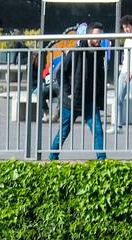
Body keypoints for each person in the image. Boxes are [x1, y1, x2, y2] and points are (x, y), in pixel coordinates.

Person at [49, 24, 107, 161]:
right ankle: (52, 156)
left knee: (98, 130)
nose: (99, 39)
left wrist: (98, 97)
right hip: (71, 101)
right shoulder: (76, 50)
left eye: (101, 36)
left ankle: (102, 159)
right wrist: (68, 92)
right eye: (97, 36)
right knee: (63, 131)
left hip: (89, 100)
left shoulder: (100, 52)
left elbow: (99, 76)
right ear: (88, 35)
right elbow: (60, 72)